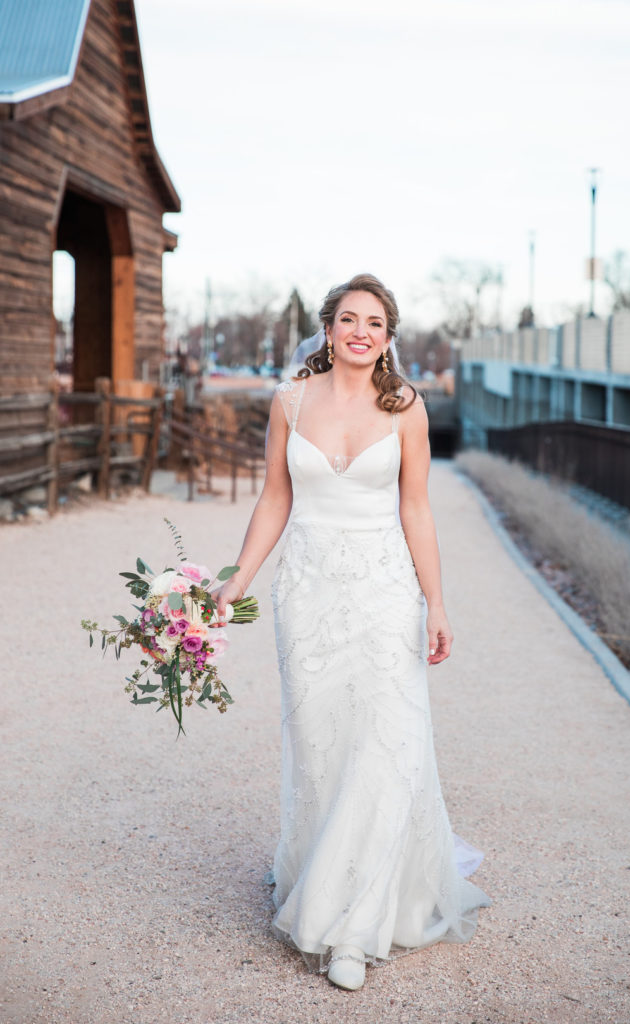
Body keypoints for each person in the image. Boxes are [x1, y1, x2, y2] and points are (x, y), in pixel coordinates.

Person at [216, 273, 490, 991]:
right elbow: (276, 497)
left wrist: (435, 603)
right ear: (328, 330)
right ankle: (318, 873)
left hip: (382, 596)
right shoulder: (288, 401)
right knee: (319, 745)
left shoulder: (406, 408)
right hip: (306, 595)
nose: (360, 331)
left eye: (373, 321)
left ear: (387, 337)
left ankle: (352, 927)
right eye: (347, 319)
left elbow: (418, 512)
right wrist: (238, 576)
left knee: (380, 744)